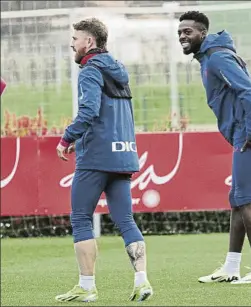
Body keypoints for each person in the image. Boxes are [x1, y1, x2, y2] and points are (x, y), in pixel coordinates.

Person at [178, 11, 251, 284]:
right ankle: (231, 267)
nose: (182, 37)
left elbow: (247, 90)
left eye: (187, 32)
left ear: (202, 33)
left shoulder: (217, 57)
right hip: (248, 129)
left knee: (244, 197)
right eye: (179, 32)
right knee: (237, 198)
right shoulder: (209, 56)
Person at [55, 17, 153, 302]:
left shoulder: (89, 70)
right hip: (123, 154)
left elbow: (89, 111)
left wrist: (67, 138)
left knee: (81, 217)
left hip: (96, 157)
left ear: (89, 42)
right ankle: (142, 281)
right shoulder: (117, 69)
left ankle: (86, 287)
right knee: (125, 219)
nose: (72, 44)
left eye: (75, 39)